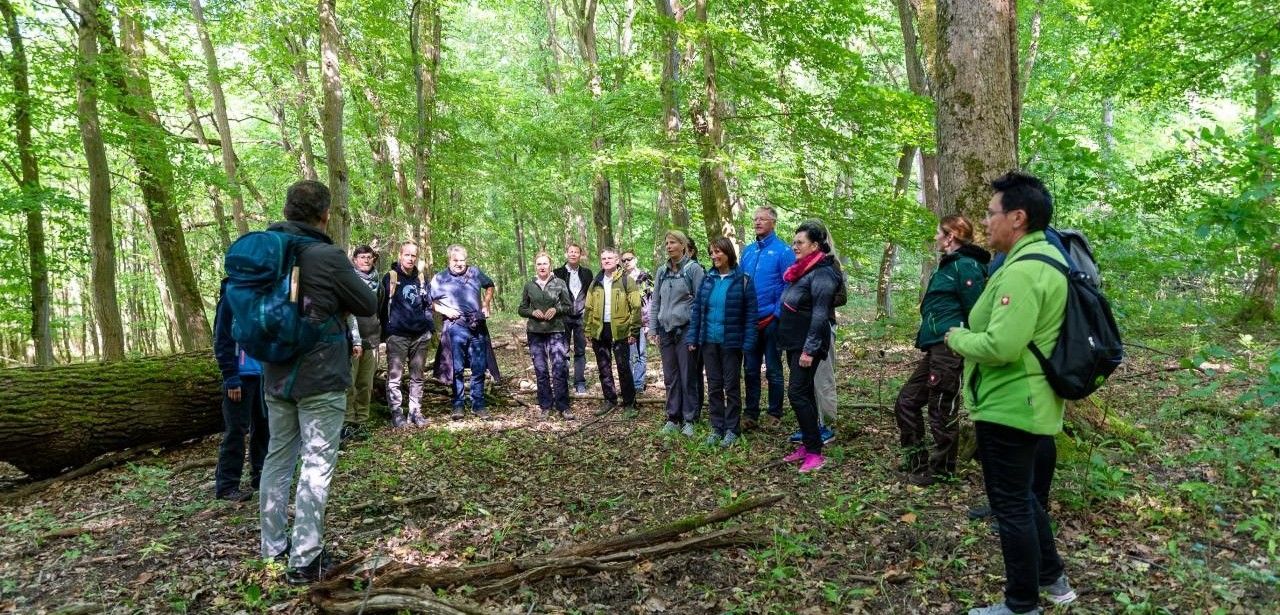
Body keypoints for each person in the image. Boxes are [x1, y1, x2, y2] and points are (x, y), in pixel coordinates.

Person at [945, 171, 1076, 615]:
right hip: (1028, 401)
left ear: (1017, 217)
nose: (986, 222)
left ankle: (1021, 604)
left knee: (1011, 506)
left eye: (991, 213)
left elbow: (1001, 346)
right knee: (1023, 498)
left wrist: (956, 337)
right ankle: (1052, 578)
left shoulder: (1025, 271)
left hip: (1010, 404)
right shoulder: (1043, 259)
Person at [258, 179, 378, 584]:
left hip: (275, 371)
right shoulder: (327, 256)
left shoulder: (263, 249)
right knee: (316, 463)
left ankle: (273, 549)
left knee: (277, 458)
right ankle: (305, 559)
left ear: (287, 209)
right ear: (325, 215)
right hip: (321, 375)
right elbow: (367, 303)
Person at [895, 215, 990, 486]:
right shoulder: (948, 266)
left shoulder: (967, 266)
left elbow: (978, 312)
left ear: (950, 237)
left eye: (939, 233)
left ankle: (942, 471)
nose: (936, 237)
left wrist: (970, 345)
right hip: (936, 347)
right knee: (906, 401)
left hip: (951, 348)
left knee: (941, 408)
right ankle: (917, 462)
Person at [776, 220, 842, 473]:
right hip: (794, 341)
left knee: (797, 393)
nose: (795, 246)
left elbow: (819, 315)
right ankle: (808, 442)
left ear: (815, 245)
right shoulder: (803, 269)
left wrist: (809, 349)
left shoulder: (823, 272)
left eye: (800, 242)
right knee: (802, 393)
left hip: (808, 343)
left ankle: (815, 453)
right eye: (794, 242)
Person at [685, 237, 757, 447]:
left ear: (728, 253)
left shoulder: (743, 280)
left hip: (731, 343)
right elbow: (697, 310)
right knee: (714, 386)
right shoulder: (708, 279)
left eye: (718, 252)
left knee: (731, 386)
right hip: (708, 341)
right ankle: (717, 427)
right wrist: (692, 337)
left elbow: (751, 315)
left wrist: (749, 341)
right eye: (712, 252)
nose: (714, 256)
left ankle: (732, 429)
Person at [212, 278, 269, 502]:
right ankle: (227, 486)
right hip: (240, 377)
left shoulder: (262, 299)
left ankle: (260, 475)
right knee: (236, 430)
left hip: (263, 374)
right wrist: (231, 377)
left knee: (263, 427)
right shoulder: (230, 299)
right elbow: (222, 340)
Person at [739, 206, 795, 430]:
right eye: (755, 219)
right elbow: (740, 282)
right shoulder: (748, 251)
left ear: (773, 222)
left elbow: (789, 284)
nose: (757, 222)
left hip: (772, 320)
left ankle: (774, 413)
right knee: (750, 369)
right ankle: (750, 413)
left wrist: (777, 315)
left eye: (762, 219)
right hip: (750, 321)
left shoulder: (783, 251)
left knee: (773, 368)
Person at [429, 244, 499, 419]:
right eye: (456, 260)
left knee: (479, 366)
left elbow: (490, 285)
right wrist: (445, 311)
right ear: (449, 260)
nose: (460, 264)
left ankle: (478, 404)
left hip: (477, 325)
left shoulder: (474, 272)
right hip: (455, 326)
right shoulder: (440, 278)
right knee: (457, 367)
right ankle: (458, 404)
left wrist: (486, 303)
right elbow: (428, 301)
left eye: (463, 260)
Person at [650, 231, 705, 436]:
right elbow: (656, 302)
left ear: (683, 246)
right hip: (665, 331)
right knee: (671, 377)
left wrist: (696, 334)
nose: (669, 246)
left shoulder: (694, 270)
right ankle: (673, 417)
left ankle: (690, 418)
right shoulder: (661, 271)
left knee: (688, 375)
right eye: (666, 243)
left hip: (687, 330)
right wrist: (653, 329)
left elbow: (701, 303)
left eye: (673, 242)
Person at [378, 241, 434, 428]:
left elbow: (428, 304)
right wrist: (385, 333)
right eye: (407, 255)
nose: (410, 259)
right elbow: (381, 306)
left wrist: (429, 328)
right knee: (395, 376)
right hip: (397, 335)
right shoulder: (390, 277)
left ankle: (415, 412)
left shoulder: (421, 278)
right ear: (400, 255)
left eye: (413, 256)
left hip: (420, 335)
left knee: (417, 375)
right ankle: (397, 414)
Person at [584, 247, 642, 416]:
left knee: (623, 367)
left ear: (617, 260)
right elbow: (588, 307)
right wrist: (587, 329)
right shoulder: (596, 282)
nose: (607, 261)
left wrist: (634, 331)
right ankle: (609, 400)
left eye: (610, 258)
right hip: (600, 329)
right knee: (603, 367)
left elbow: (636, 307)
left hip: (621, 330)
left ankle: (629, 403)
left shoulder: (626, 281)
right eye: (604, 258)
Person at [519, 252, 574, 420]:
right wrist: (531, 312)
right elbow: (521, 309)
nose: (542, 267)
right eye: (539, 264)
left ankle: (563, 406)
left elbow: (568, 306)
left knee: (559, 368)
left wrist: (556, 310)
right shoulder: (529, 285)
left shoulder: (559, 283)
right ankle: (545, 406)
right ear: (535, 267)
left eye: (545, 264)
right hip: (535, 333)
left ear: (550, 266)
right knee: (541, 370)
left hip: (556, 331)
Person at [343, 245, 382, 443]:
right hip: (352, 341)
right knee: (349, 383)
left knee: (366, 384)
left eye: (369, 257)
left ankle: (362, 421)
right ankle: (348, 421)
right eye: (362, 257)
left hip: (372, 339)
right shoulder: (349, 281)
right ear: (355, 259)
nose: (366, 260)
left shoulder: (379, 283)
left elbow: (381, 308)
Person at [554, 244, 594, 395]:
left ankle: (579, 382)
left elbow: (591, 294)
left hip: (582, 316)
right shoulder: (557, 273)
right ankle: (563, 380)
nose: (573, 254)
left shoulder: (587, 273)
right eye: (570, 251)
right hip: (563, 316)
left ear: (580, 255)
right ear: (566, 254)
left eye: (576, 252)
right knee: (563, 350)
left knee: (580, 351)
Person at [621, 250, 654, 392]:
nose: (626, 262)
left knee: (641, 353)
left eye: (629, 259)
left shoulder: (644, 277)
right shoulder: (620, 278)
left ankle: (638, 384)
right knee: (628, 355)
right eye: (624, 260)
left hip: (641, 322)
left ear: (635, 259)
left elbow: (650, 301)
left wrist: (649, 323)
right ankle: (629, 385)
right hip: (624, 322)